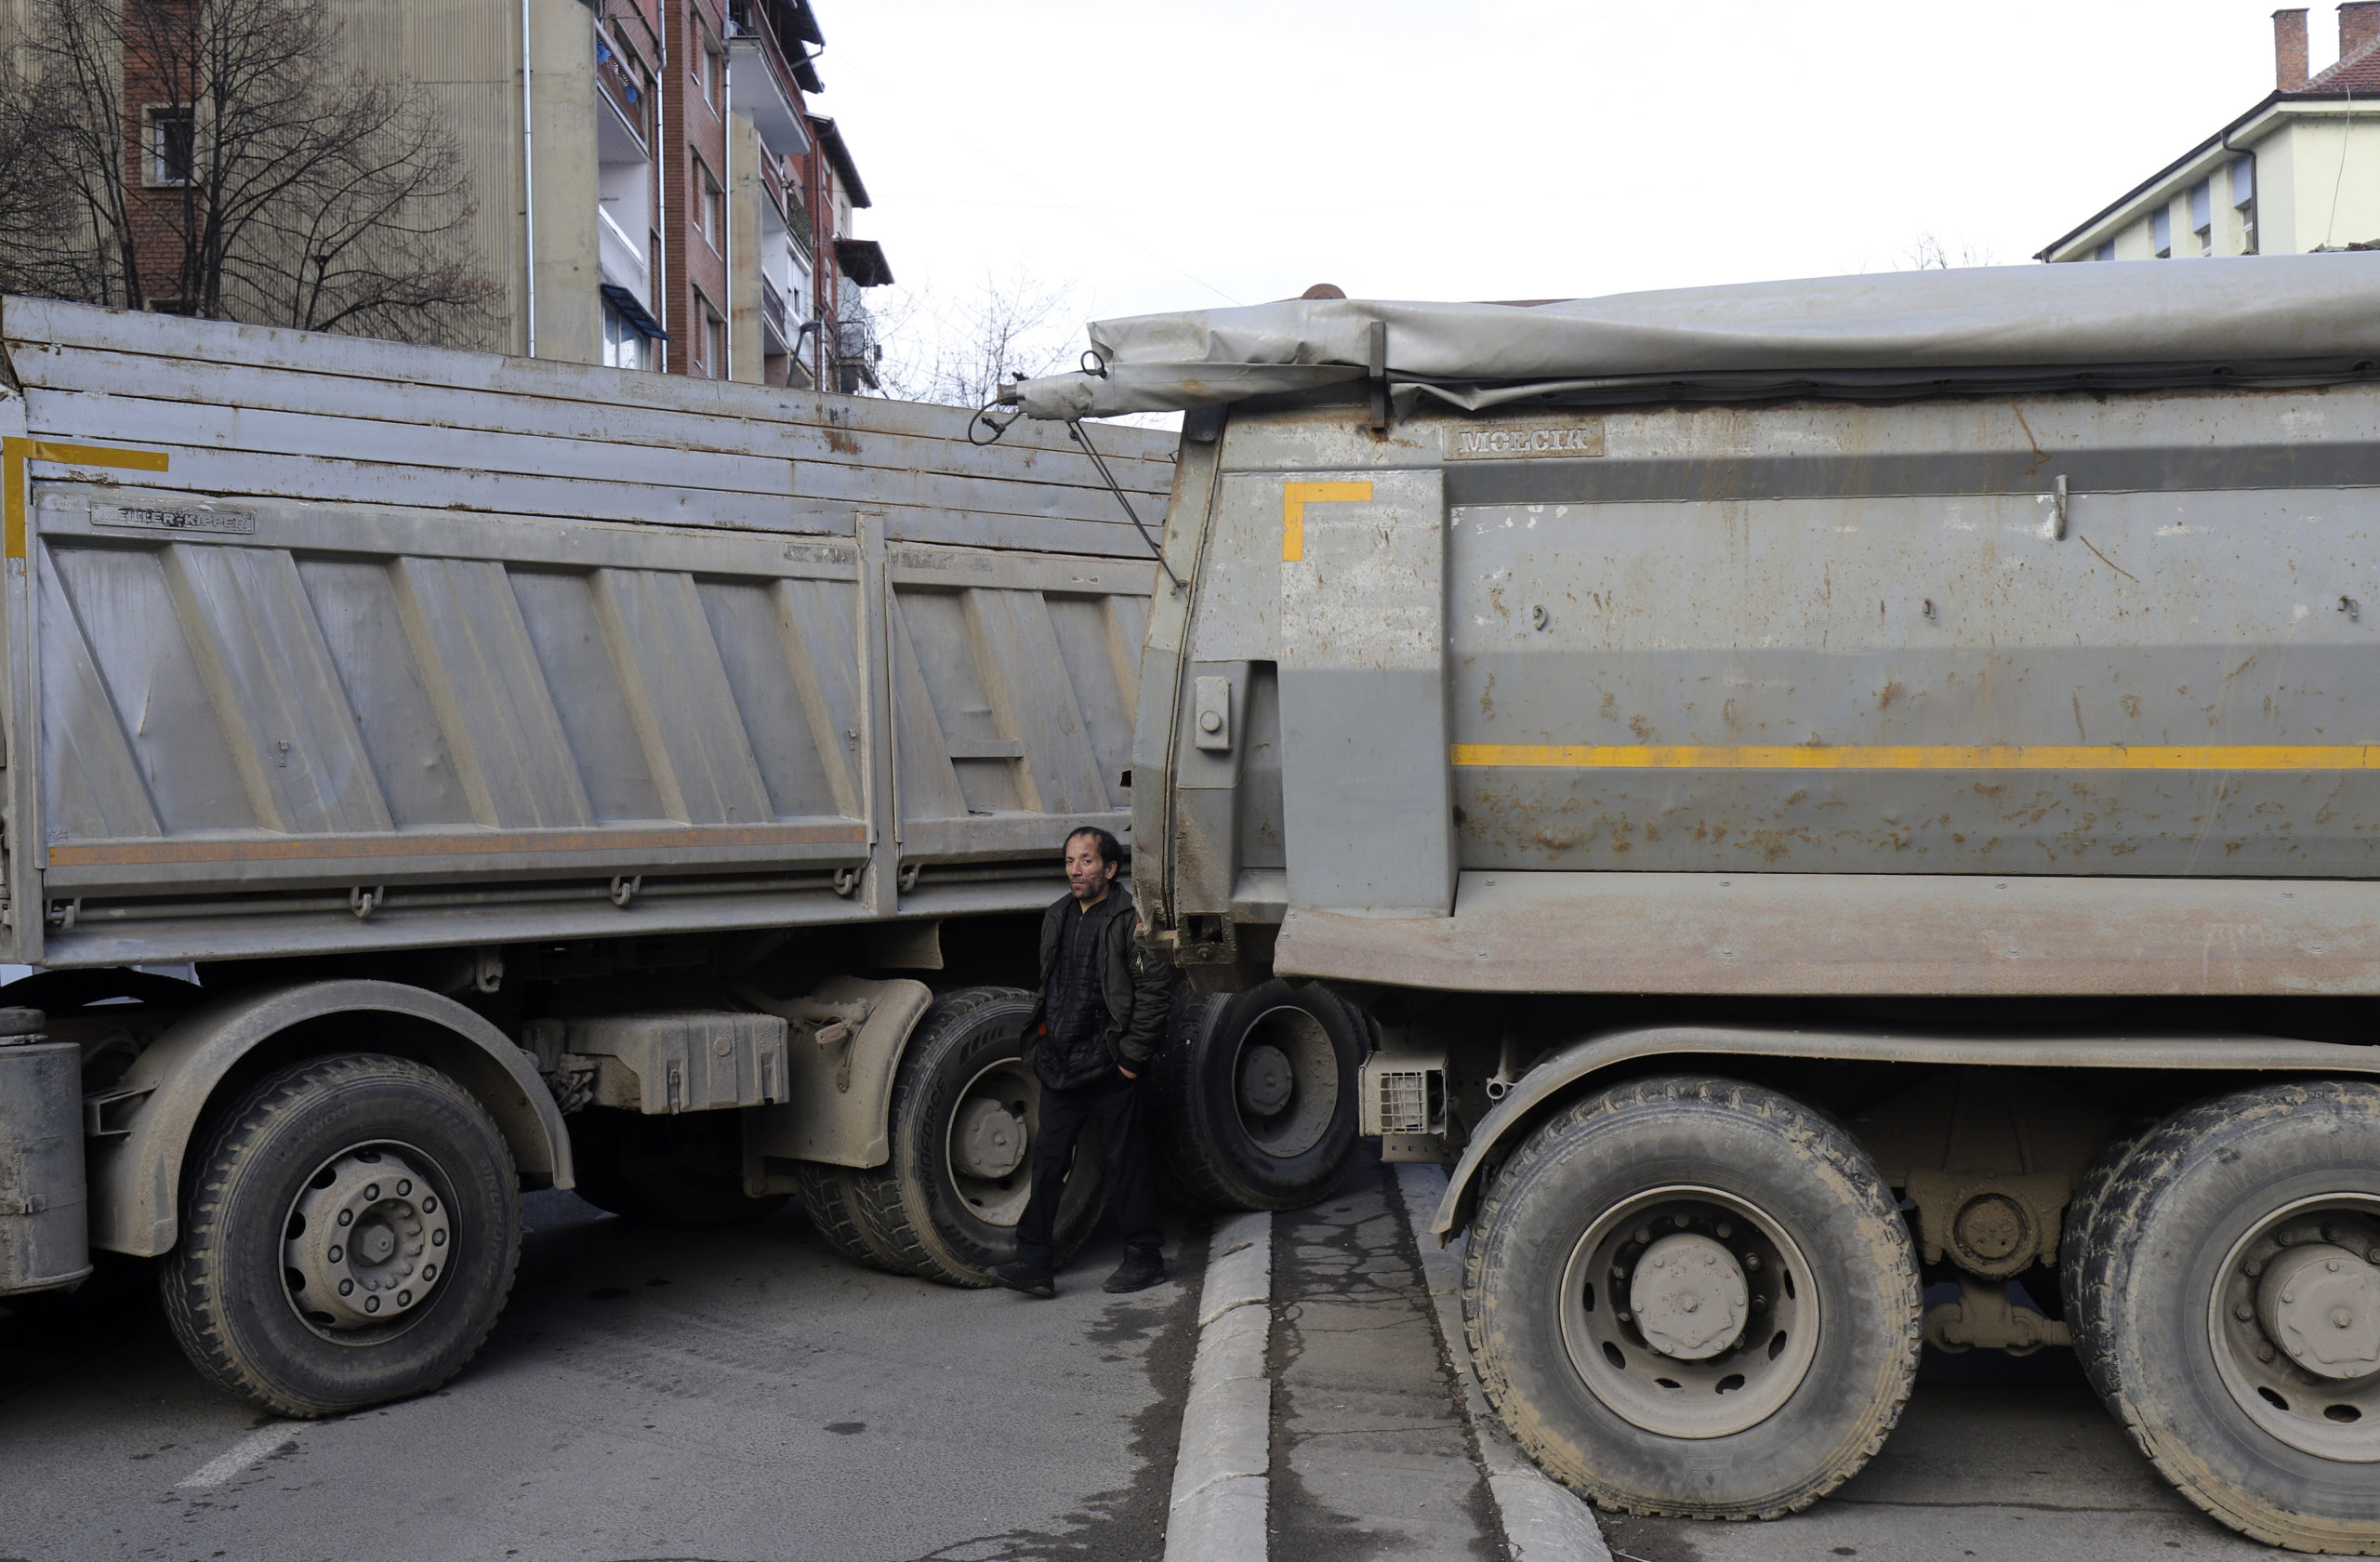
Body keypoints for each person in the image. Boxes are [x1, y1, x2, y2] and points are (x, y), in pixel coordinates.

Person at [987, 825, 1172, 1298]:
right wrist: (1045, 1046)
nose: (1076, 870)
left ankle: (1145, 1258)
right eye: (1071, 861)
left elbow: (1154, 993)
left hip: (1110, 1064)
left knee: (1124, 1162)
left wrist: (1130, 1061)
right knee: (1048, 1163)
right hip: (1062, 1064)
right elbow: (1055, 987)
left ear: (1110, 868)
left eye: (1086, 861)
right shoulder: (1057, 916)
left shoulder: (1132, 919)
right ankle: (1034, 1264)